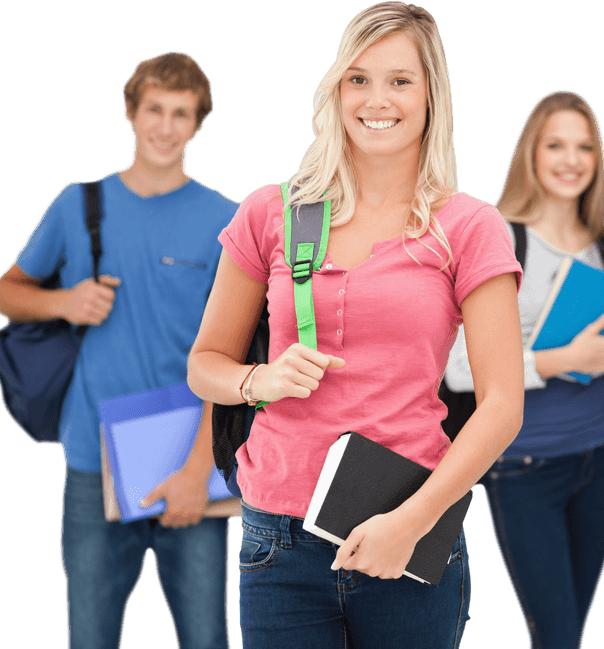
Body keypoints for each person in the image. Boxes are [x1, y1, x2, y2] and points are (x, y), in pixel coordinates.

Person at [185, 3, 524, 647]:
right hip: (277, 540)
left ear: (431, 95)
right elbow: (205, 365)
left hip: (408, 528)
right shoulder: (274, 211)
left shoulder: (467, 227)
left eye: (400, 80)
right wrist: (260, 379)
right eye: (358, 78)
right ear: (336, 89)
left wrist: (412, 522)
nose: (377, 99)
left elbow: (503, 406)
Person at [0, 51, 236, 648]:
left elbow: (234, 355)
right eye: (154, 109)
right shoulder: (79, 206)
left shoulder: (226, 220)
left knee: (206, 640)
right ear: (130, 111)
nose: (165, 127)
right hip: (92, 464)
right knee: (91, 639)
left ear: (199, 124)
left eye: (181, 114)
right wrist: (64, 303)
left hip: (189, 466)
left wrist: (198, 469)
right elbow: (6, 291)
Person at [444, 90, 604, 649]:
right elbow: (460, 368)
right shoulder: (499, 235)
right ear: (531, 152)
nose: (570, 159)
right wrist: (562, 360)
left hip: (598, 460)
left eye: (584, 147)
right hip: (524, 466)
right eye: (556, 144)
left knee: (570, 631)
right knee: (554, 635)